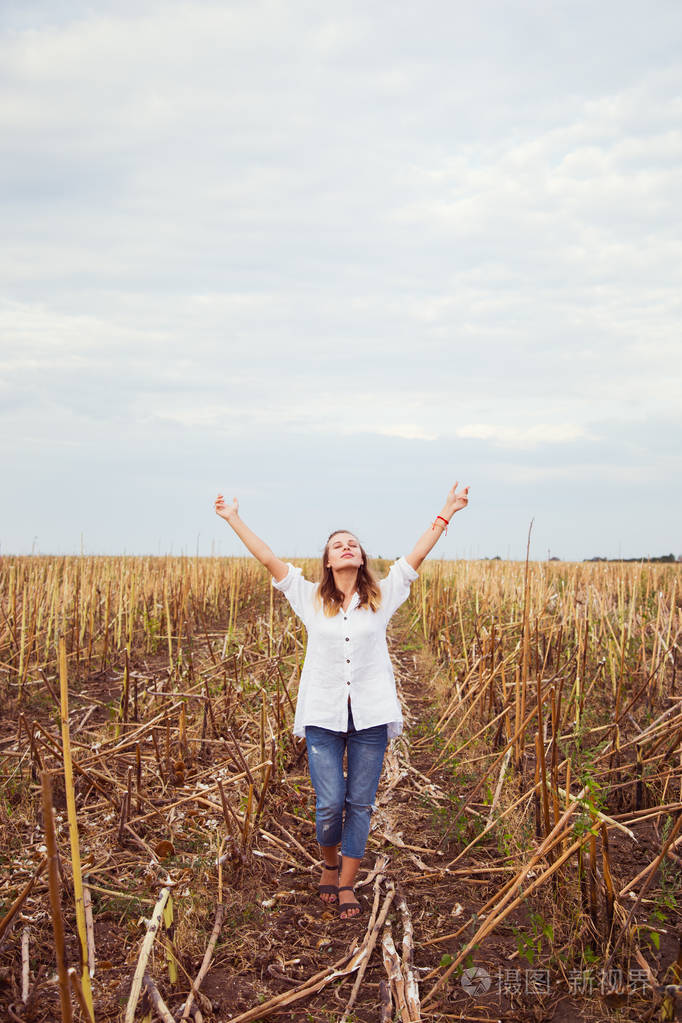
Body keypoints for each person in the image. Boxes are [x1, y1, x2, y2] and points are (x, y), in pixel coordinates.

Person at [214, 483, 469, 918]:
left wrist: (447, 511)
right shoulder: (310, 598)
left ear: (362, 558)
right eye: (338, 545)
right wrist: (233, 518)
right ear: (328, 561)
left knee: (361, 802)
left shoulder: (382, 598)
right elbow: (267, 558)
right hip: (322, 713)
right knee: (331, 801)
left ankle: (347, 882)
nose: (347, 547)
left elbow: (415, 557)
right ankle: (329, 865)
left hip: (371, 715)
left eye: (353, 544)